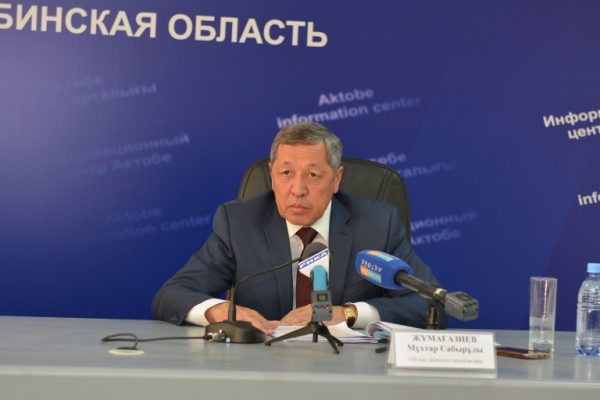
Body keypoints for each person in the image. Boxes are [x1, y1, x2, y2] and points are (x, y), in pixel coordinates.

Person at [152, 122, 447, 333]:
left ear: (336, 179)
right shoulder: (239, 223)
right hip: (262, 371)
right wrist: (220, 311)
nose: (298, 189)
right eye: (286, 173)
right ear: (272, 175)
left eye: (313, 175)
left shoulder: (378, 224)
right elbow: (172, 294)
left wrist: (350, 313)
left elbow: (432, 306)